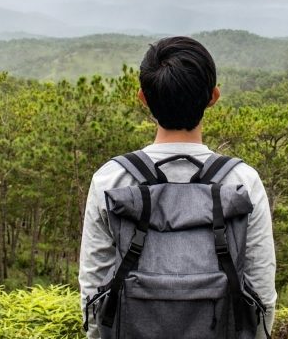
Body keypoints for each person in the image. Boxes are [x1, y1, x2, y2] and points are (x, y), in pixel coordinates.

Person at [79, 36, 276, 338]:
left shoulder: (111, 179)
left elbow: (93, 291)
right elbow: (261, 291)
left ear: (143, 98)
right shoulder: (243, 182)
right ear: (214, 96)